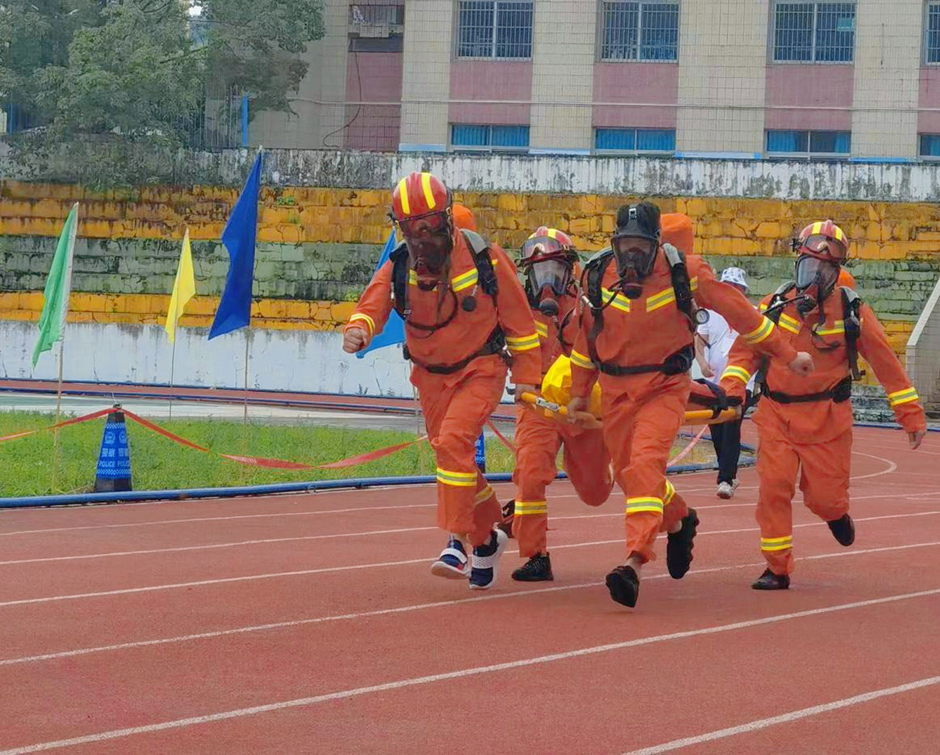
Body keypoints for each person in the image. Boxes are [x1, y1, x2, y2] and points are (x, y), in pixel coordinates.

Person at [567, 204, 813, 608]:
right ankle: (680, 520)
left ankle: (634, 562)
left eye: (639, 247)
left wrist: (788, 355)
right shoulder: (597, 275)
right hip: (615, 390)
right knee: (629, 477)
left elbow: (744, 316)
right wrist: (579, 392)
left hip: (664, 387)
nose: (631, 256)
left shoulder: (686, 273)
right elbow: (586, 339)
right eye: (624, 246)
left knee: (645, 467)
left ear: (656, 244)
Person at [342, 172, 542, 590]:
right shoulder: (400, 264)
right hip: (430, 378)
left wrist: (528, 379)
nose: (422, 236)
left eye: (430, 224)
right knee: (454, 460)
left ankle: (456, 543)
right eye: (412, 228)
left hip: (481, 369)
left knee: (454, 443)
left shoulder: (486, 257)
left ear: (448, 217)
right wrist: (359, 328)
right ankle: (487, 540)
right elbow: (373, 303)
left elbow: (521, 324)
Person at [719, 220, 927, 590]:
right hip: (776, 414)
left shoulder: (852, 313)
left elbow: (886, 364)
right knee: (773, 489)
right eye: (808, 266)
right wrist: (732, 390)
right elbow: (743, 355)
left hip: (828, 419)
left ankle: (836, 515)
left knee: (825, 499)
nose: (814, 276)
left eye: (824, 269)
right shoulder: (773, 306)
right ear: (798, 263)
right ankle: (777, 568)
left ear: (837, 271)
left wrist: (909, 415)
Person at [510, 227, 614, 582]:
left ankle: (604, 470)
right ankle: (536, 554)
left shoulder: (590, 306)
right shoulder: (517, 310)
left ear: (570, 269)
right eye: (538, 270)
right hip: (536, 404)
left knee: (595, 492)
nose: (546, 279)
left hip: (580, 406)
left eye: (554, 268)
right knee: (529, 473)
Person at [694, 267, 752, 499]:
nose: (731, 291)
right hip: (713, 381)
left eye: (735, 288)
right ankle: (728, 471)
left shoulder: (751, 313)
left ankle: (725, 478)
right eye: (727, 286)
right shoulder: (710, 313)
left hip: (741, 382)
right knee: (716, 429)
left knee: (731, 428)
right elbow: (698, 341)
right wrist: (702, 363)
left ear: (743, 291)